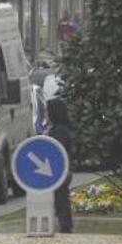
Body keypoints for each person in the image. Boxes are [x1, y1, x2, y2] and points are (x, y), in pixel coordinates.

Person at [46, 98, 74, 233]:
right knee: (61, 196)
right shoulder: (62, 129)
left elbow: (56, 150)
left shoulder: (59, 131)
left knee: (61, 198)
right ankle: (64, 223)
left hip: (60, 170)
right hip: (62, 170)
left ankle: (65, 224)